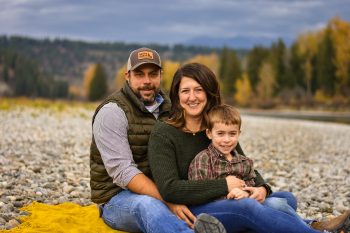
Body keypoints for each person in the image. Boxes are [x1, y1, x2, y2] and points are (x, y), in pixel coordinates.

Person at [147, 62, 350, 233]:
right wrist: (225, 185)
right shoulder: (164, 132)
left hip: (232, 199)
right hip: (195, 209)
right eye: (185, 91)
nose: (192, 97)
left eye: (198, 90)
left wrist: (261, 188)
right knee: (249, 207)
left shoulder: (217, 128)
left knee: (285, 198)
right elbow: (169, 188)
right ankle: (316, 230)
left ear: (209, 92)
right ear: (176, 95)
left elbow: (243, 164)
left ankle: (308, 225)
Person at [90, 48, 227, 233]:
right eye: (139, 74)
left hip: (168, 189)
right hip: (118, 198)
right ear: (127, 76)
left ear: (161, 75)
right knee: (148, 206)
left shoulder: (173, 107)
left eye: (153, 74)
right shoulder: (112, 112)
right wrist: (169, 201)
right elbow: (123, 171)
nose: (147, 81)